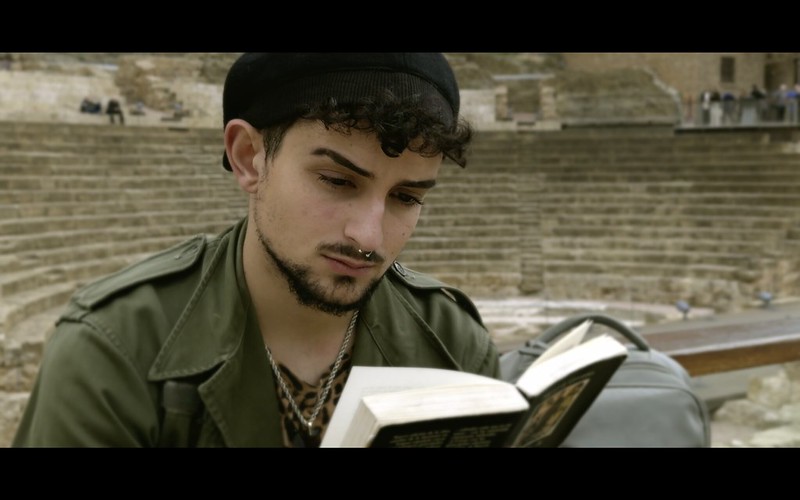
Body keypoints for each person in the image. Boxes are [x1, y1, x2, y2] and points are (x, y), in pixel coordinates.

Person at [12, 53, 500, 448]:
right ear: (248, 157)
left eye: (406, 198)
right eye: (336, 181)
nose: (369, 238)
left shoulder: (453, 344)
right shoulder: (116, 349)